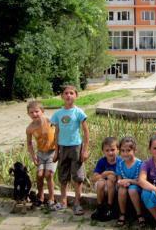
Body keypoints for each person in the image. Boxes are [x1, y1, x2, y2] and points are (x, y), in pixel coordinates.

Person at [50, 85, 89, 215]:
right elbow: (56, 133)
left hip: (76, 147)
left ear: (76, 96)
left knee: (77, 177)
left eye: (71, 93)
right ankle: (63, 201)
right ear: (62, 96)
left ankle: (77, 203)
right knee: (63, 176)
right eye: (66, 93)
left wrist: (85, 150)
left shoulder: (78, 112)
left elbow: (86, 132)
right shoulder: (58, 114)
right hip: (62, 147)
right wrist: (56, 151)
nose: (68, 95)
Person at [25, 100, 57, 210]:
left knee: (48, 174)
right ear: (28, 114)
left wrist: (59, 151)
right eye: (31, 112)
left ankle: (52, 198)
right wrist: (33, 156)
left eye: (36, 111)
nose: (34, 114)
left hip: (52, 152)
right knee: (39, 175)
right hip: (40, 153)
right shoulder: (30, 128)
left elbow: (59, 132)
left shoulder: (50, 121)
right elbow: (29, 143)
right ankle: (41, 196)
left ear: (42, 111)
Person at [115, 136, 145, 227]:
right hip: (124, 186)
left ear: (134, 150)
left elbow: (141, 182)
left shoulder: (140, 164)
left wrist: (128, 180)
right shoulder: (120, 164)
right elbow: (119, 179)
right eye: (123, 151)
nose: (125, 153)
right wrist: (121, 182)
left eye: (128, 150)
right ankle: (122, 214)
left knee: (132, 189)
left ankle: (139, 214)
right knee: (121, 189)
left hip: (136, 187)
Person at [91, 137, 120, 221]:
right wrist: (105, 174)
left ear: (118, 150)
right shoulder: (102, 161)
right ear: (103, 151)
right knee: (100, 183)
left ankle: (109, 207)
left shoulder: (120, 161)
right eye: (107, 150)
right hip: (103, 187)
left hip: (115, 186)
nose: (110, 153)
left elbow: (120, 176)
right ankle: (99, 207)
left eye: (112, 150)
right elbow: (94, 178)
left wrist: (113, 175)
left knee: (110, 182)